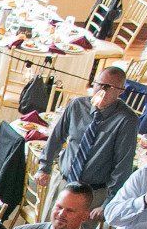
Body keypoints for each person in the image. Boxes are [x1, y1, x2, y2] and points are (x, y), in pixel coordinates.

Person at [35, 66, 141, 212]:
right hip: (63, 183)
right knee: (49, 222)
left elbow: (123, 164)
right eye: (99, 84)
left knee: (80, 227)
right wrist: (44, 167)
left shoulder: (127, 120)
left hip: (92, 194)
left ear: (121, 91)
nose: (102, 91)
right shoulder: (77, 105)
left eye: (109, 87)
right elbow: (56, 137)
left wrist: (109, 202)